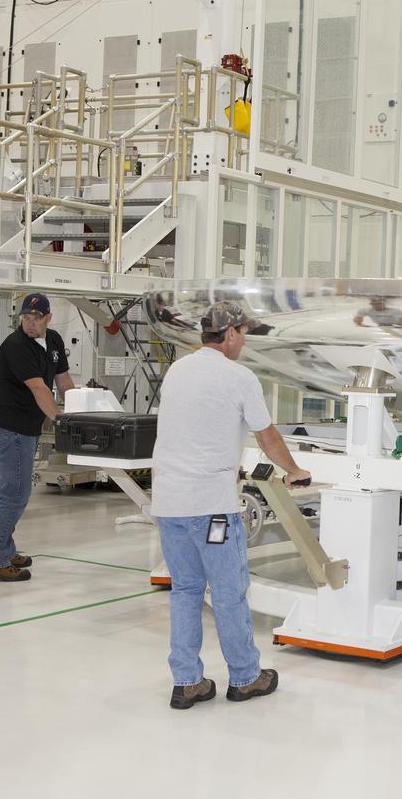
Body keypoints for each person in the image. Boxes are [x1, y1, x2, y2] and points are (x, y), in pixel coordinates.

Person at [151, 301, 312, 710]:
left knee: (185, 590)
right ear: (230, 334)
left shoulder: (177, 370)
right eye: (243, 333)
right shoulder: (239, 376)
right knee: (228, 593)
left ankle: (187, 683)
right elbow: (267, 436)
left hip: (169, 502)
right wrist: (294, 470)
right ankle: (245, 677)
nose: (244, 341)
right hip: (211, 508)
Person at [0, 292, 75, 582]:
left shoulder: (54, 340)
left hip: (27, 428)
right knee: (15, 493)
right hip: (11, 429)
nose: (30, 323)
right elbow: (39, 388)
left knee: (6, 492)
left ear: (48, 318)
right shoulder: (16, 346)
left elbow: (63, 382)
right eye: (26, 318)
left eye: (36, 318)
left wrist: (81, 412)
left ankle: (4, 550)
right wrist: (60, 420)